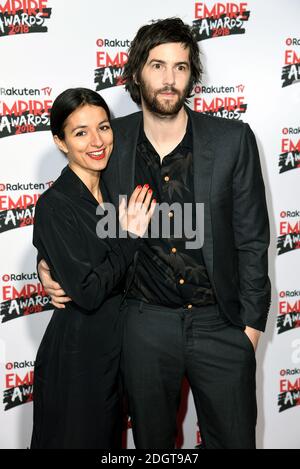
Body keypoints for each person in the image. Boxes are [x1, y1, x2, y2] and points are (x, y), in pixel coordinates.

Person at [38, 18, 271, 449]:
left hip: (220, 323)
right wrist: (48, 262)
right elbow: (76, 208)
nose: (169, 79)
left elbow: (253, 239)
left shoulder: (232, 140)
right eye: (157, 65)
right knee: (153, 447)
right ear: (136, 73)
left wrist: (250, 329)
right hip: (144, 324)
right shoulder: (111, 140)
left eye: (180, 67)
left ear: (191, 75)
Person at [30, 87, 155, 449]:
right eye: (80, 132)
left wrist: (46, 264)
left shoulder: (118, 193)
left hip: (117, 356)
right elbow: (87, 291)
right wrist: (129, 237)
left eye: (103, 127)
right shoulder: (55, 204)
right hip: (77, 362)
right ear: (60, 142)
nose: (96, 141)